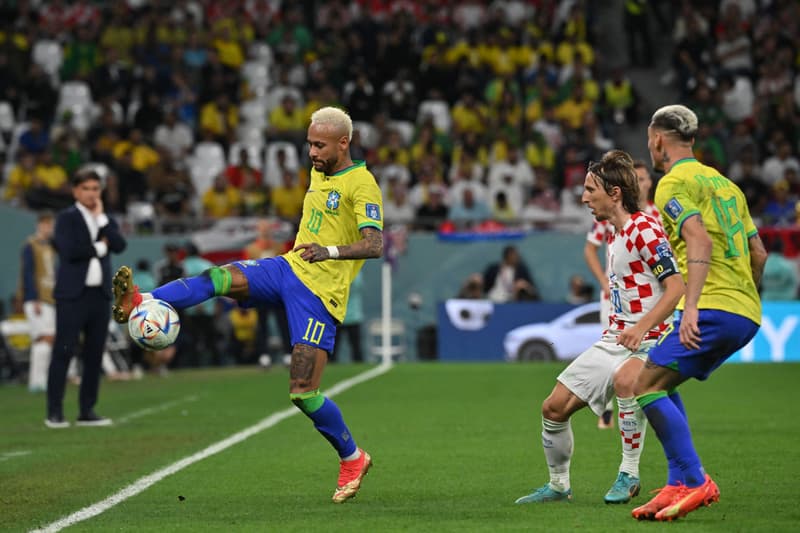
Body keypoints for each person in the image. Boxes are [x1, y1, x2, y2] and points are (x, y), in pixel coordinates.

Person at [111, 107, 383, 503]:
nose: (311, 152)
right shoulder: (319, 170)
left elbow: (375, 244)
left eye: (319, 145)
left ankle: (353, 457)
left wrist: (328, 250)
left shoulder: (362, 183)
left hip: (321, 295)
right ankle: (141, 299)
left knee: (303, 392)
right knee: (219, 278)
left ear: (344, 143)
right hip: (288, 268)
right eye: (309, 144)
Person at [515, 150, 684, 506]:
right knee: (553, 408)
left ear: (615, 193)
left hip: (652, 339)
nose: (583, 197)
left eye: (591, 189)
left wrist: (641, 328)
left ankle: (630, 474)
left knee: (627, 380)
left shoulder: (645, 229)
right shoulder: (614, 232)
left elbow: (676, 288)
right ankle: (559, 485)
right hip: (616, 339)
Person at [630, 105, 767, 521]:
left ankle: (694, 480)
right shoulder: (727, 185)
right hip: (745, 310)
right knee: (664, 380)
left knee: (643, 385)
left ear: (657, 139)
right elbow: (758, 253)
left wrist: (692, 309)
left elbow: (699, 243)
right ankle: (676, 482)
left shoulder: (672, 184)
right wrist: (743, 298)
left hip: (710, 306)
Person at [46, 170, 127, 428]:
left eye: (96, 188)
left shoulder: (105, 219)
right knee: (64, 352)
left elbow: (120, 244)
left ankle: (87, 410)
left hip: (99, 295)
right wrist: (101, 247)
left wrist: (102, 219)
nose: (92, 193)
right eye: (87, 188)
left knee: (94, 354)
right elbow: (69, 252)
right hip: (72, 295)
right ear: (76, 191)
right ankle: (55, 412)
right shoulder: (66, 218)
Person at [584, 159, 661, 429]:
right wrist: (604, 281)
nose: (638, 184)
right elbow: (589, 249)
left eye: (642, 179)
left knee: (648, 356)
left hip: (648, 300)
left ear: (649, 182)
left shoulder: (655, 217)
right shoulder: (609, 216)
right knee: (612, 352)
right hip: (614, 298)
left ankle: (645, 406)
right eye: (634, 179)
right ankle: (606, 411)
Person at [19, 212, 56, 393]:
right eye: (47, 225)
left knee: (46, 340)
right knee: (43, 338)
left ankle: (41, 380)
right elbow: (28, 272)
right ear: (40, 225)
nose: (49, 229)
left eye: (51, 226)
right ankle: (36, 382)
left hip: (49, 298)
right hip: (37, 300)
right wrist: (34, 298)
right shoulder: (30, 245)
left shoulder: (50, 247)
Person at [332, 271, 365, 363]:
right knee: (333, 347)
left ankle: (358, 366)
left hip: (352, 316)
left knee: (356, 347)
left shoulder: (355, 273)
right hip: (338, 315)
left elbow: (357, 287)